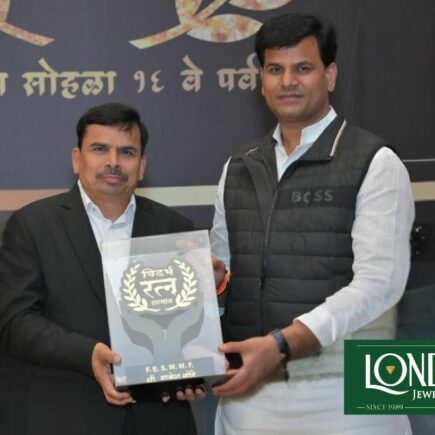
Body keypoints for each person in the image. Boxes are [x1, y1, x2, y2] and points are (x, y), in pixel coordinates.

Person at [210, 13, 415, 435]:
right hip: (253, 393)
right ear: (261, 79)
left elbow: (381, 284)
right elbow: (224, 270)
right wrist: (209, 284)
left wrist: (282, 344)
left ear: (330, 75)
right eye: (275, 69)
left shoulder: (378, 160)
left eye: (303, 68)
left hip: (359, 389)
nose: (288, 81)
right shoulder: (237, 167)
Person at [0, 103, 201, 435]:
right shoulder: (32, 225)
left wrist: (190, 370)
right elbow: (14, 322)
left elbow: (190, 327)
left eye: (127, 152)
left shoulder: (174, 228)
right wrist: (87, 354)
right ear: (76, 159)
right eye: (100, 149)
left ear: (142, 165)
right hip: (64, 415)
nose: (113, 162)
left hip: (157, 419)